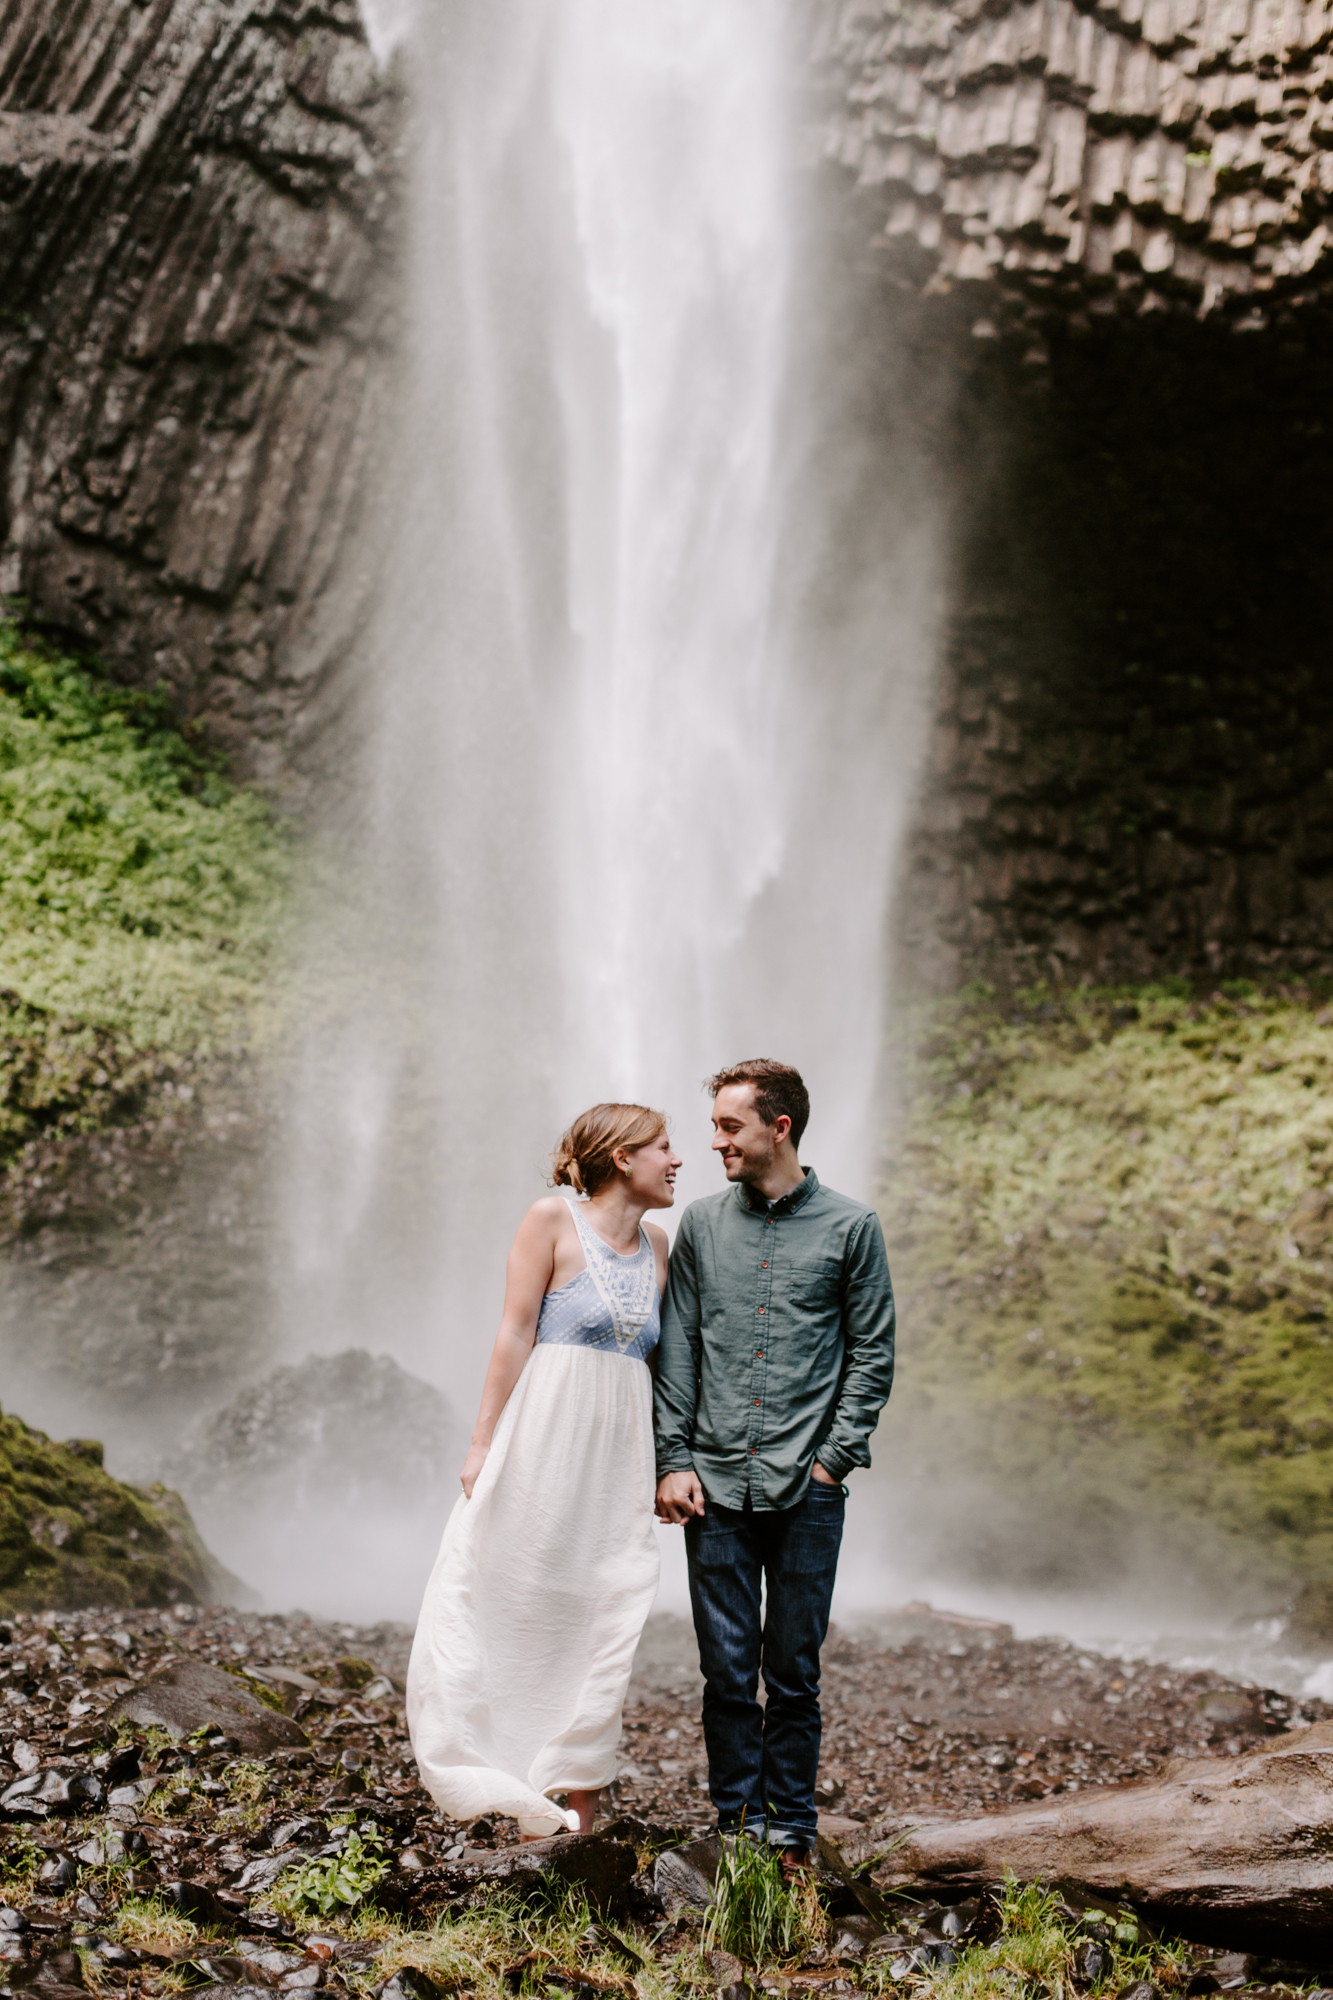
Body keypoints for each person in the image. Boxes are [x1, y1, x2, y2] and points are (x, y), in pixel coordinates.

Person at [408, 1103, 681, 1838]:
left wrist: (666, 1464)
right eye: (662, 1147)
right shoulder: (551, 1221)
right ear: (622, 1158)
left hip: (615, 1455)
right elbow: (513, 1330)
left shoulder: (658, 1246)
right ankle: (504, 1780)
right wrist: (481, 1442)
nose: (677, 1159)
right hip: (543, 1440)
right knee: (515, 1592)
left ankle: (577, 1805)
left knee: (607, 1610)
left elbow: (662, 1366)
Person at [653, 1058, 895, 1874]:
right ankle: (734, 1824)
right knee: (725, 1672)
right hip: (713, 1484)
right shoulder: (699, 1225)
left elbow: (871, 1355)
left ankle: (792, 1825)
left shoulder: (851, 1228)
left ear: (777, 1128)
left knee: (792, 1670)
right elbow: (678, 1346)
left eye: (728, 1125)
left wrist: (833, 1460)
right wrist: (672, 1459)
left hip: (807, 1487)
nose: (712, 1140)